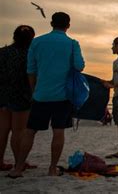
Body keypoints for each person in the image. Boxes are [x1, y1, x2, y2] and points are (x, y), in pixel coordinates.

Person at [9, 13, 85, 178]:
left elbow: (31, 70)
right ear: (68, 26)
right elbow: (79, 66)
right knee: (58, 132)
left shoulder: (37, 42)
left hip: (41, 95)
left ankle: (18, 167)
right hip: (63, 96)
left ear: (51, 23)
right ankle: (52, 169)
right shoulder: (72, 44)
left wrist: (34, 90)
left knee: (30, 131)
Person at [0, 25, 36, 172]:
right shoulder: (29, 55)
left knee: (2, 130)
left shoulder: (2, 52)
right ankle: (19, 162)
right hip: (21, 96)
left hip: (2, 95)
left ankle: (0, 161)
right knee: (18, 131)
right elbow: (31, 77)